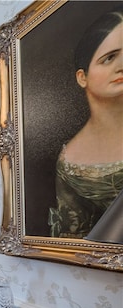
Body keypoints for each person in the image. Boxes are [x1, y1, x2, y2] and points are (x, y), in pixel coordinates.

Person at [49, 7, 123, 239]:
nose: (121, 65)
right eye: (109, 58)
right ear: (82, 77)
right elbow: (74, 238)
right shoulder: (69, 159)